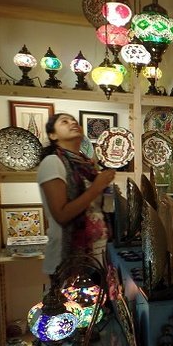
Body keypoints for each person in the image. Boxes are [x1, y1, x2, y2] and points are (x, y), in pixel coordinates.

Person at [37, 113, 115, 277]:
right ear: (53, 135)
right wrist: (97, 186)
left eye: (74, 121)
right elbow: (62, 215)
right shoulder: (52, 163)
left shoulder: (86, 165)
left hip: (98, 255)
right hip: (68, 260)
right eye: (64, 122)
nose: (72, 122)